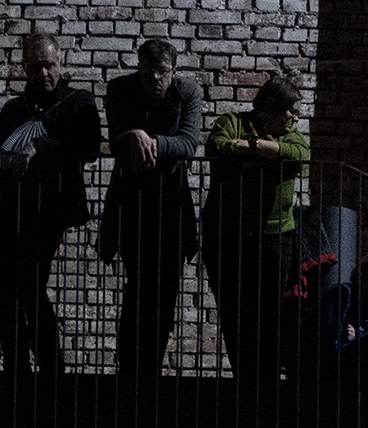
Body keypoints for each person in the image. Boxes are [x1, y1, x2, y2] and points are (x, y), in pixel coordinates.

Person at [0, 32, 98, 378]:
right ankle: (16, 366)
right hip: (5, 209)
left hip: (46, 212)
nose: (43, 73)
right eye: (35, 67)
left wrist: (40, 147)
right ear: (24, 68)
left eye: (48, 65)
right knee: (6, 290)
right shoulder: (14, 109)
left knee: (30, 285)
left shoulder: (78, 102)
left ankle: (51, 369)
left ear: (60, 62)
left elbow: (89, 146)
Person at [100, 37, 201, 379]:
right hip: (132, 204)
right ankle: (130, 371)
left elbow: (188, 143)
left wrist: (149, 140)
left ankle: (151, 372)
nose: (155, 79)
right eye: (148, 71)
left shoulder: (188, 93)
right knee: (138, 288)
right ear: (138, 67)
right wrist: (131, 133)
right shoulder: (119, 89)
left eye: (162, 72)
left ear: (173, 71)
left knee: (165, 293)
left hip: (171, 205)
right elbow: (115, 140)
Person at [200, 69, 303, 384]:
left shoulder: (288, 133)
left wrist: (252, 148)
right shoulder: (232, 121)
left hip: (273, 240)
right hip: (227, 238)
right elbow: (217, 146)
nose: (294, 119)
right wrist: (268, 155)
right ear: (270, 105)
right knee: (234, 314)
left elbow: (299, 154)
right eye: (290, 111)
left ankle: (265, 384)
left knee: (268, 317)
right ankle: (245, 381)